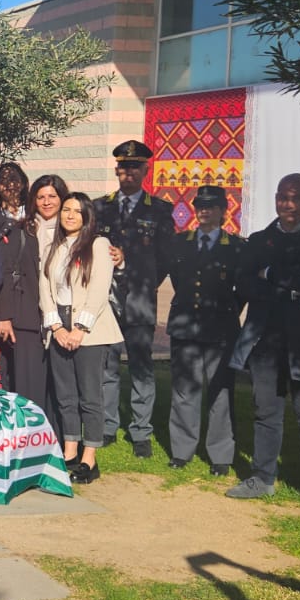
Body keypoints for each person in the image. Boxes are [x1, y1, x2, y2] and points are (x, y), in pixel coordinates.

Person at [226, 174, 300, 514]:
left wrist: (272, 275)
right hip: (265, 341)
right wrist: (289, 284)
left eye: (296, 197)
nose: (287, 204)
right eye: (282, 197)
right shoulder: (258, 241)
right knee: (266, 412)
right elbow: (245, 283)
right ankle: (262, 478)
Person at [92, 140, 176, 458]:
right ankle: (108, 426)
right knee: (108, 366)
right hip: (105, 301)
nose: (128, 172)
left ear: (145, 170)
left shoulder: (160, 211)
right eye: (123, 167)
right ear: (117, 170)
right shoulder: (100, 208)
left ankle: (141, 431)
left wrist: (133, 268)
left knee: (141, 367)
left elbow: (166, 258)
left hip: (140, 300)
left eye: (134, 167)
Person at [39, 193, 120, 484]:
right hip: (59, 325)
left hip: (91, 328)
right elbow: (44, 287)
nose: (70, 215)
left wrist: (79, 329)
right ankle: (69, 452)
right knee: (65, 396)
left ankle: (90, 458)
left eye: (77, 211)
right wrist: (57, 327)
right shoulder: (53, 246)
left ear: (87, 216)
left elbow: (99, 290)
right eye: (66, 210)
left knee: (90, 397)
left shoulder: (98, 245)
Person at [164, 186, 244, 477]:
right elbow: (175, 277)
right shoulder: (180, 243)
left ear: (224, 210)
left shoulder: (235, 247)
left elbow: (242, 288)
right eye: (200, 205)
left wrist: (228, 310)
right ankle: (182, 450)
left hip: (221, 329)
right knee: (184, 390)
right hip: (185, 325)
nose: (204, 211)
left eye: (211, 206)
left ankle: (221, 454)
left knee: (220, 391)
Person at [0, 178, 45, 410]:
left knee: (4, 372)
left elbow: (12, 273)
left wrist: (5, 315)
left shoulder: (14, 230)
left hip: (6, 314)